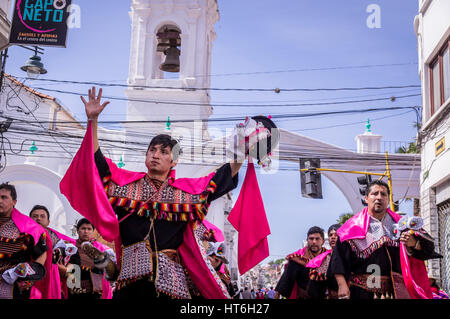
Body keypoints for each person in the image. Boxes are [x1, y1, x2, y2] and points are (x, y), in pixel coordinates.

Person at [60, 87, 272, 299]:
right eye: (152, 150)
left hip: (170, 287)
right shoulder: (125, 186)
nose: (155, 155)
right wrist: (92, 121)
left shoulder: (186, 193)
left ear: (174, 160)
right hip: (129, 285)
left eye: (163, 152)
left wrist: (243, 148)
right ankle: (110, 267)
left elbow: (221, 178)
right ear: (146, 156)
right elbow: (96, 162)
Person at [328, 180, 440, 299]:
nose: (379, 197)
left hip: (397, 292)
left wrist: (414, 243)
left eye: (383, 194)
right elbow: (338, 259)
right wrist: (341, 284)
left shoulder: (403, 224)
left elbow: (428, 248)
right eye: (375, 193)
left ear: (388, 199)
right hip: (362, 292)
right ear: (366, 198)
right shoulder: (351, 228)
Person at [0, 183, 52, 299]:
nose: (0, 201)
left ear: (14, 202)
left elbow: (42, 254)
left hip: (14, 287)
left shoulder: (29, 228)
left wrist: (29, 279)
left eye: (4, 197)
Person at [29, 205, 78, 299]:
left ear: (48, 222)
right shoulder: (23, 236)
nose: (38, 218)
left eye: (42, 216)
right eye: (35, 216)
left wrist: (65, 270)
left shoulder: (61, 240)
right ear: (29, 219)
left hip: (54, 281)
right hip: (30, 280)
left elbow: (75, 267)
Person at [66, 218, 115, 300]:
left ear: (92, 231)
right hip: (73, 291)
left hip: (95, 292)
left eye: (89, 229)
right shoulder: (69, 247)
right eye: (83, 228)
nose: (86, 231)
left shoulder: (101, 249)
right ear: (78, 230)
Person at [274, 226, 327, 299]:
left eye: (317, 239)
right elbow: (286, 279)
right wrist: (277, 294)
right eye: (311, 239)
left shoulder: (328, 258)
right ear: (307, 240)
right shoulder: (297, 259)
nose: (314, 242)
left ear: (323, 241)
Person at [306, 224, 340, 299]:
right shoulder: (324, 259)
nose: (333, 237)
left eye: (336, 235)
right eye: (330, 235)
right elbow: (314, 290)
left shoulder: (351, 255)